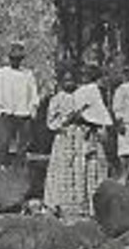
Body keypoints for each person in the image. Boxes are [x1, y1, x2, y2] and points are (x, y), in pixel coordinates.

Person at [43, 64, 112, 220]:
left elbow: (97, 114)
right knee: (64, 170)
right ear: (61, 82)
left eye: (72, 80)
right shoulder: (57, 99)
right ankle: (63, 204)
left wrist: (86, 119)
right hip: (65, 138)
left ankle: (87, 205)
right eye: (65, 80)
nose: (69, 83)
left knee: (85, 169)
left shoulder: (84, 94)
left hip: (83, 138)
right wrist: (66, 121)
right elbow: (50, 122)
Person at [0, 41, 40, 169]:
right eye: (13, 58)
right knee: (3, 141)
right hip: (6, 111)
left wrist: (32, 109)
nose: (15, 61)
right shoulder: (2, 72)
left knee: (23, 143)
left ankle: (19, 167)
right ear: (9, 58)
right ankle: (2, 166)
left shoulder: (27, 74)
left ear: (21, 59)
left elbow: (33, 92)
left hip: (23, 112)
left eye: (18, 59)